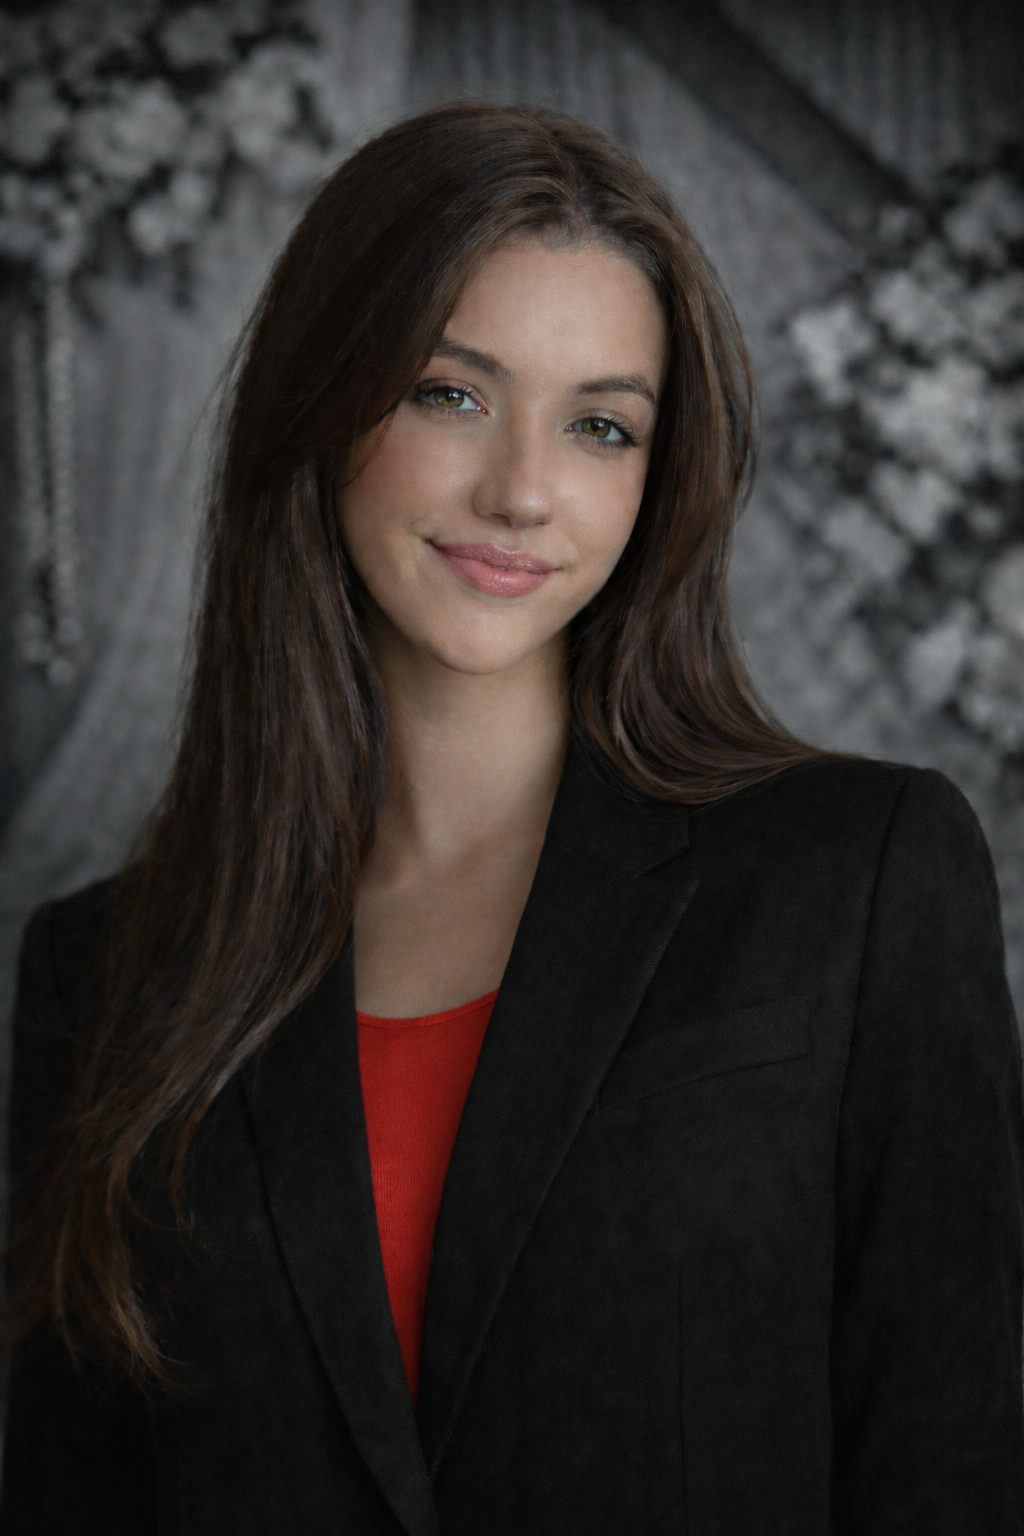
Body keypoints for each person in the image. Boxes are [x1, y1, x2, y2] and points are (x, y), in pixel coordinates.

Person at [1, 101, 1021, 1535]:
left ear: (657, 474)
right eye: (450, 394)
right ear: (321, 401)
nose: (525, 491)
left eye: (601, 426)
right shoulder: (106, 978)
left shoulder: (857, 877)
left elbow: (955, 1463)